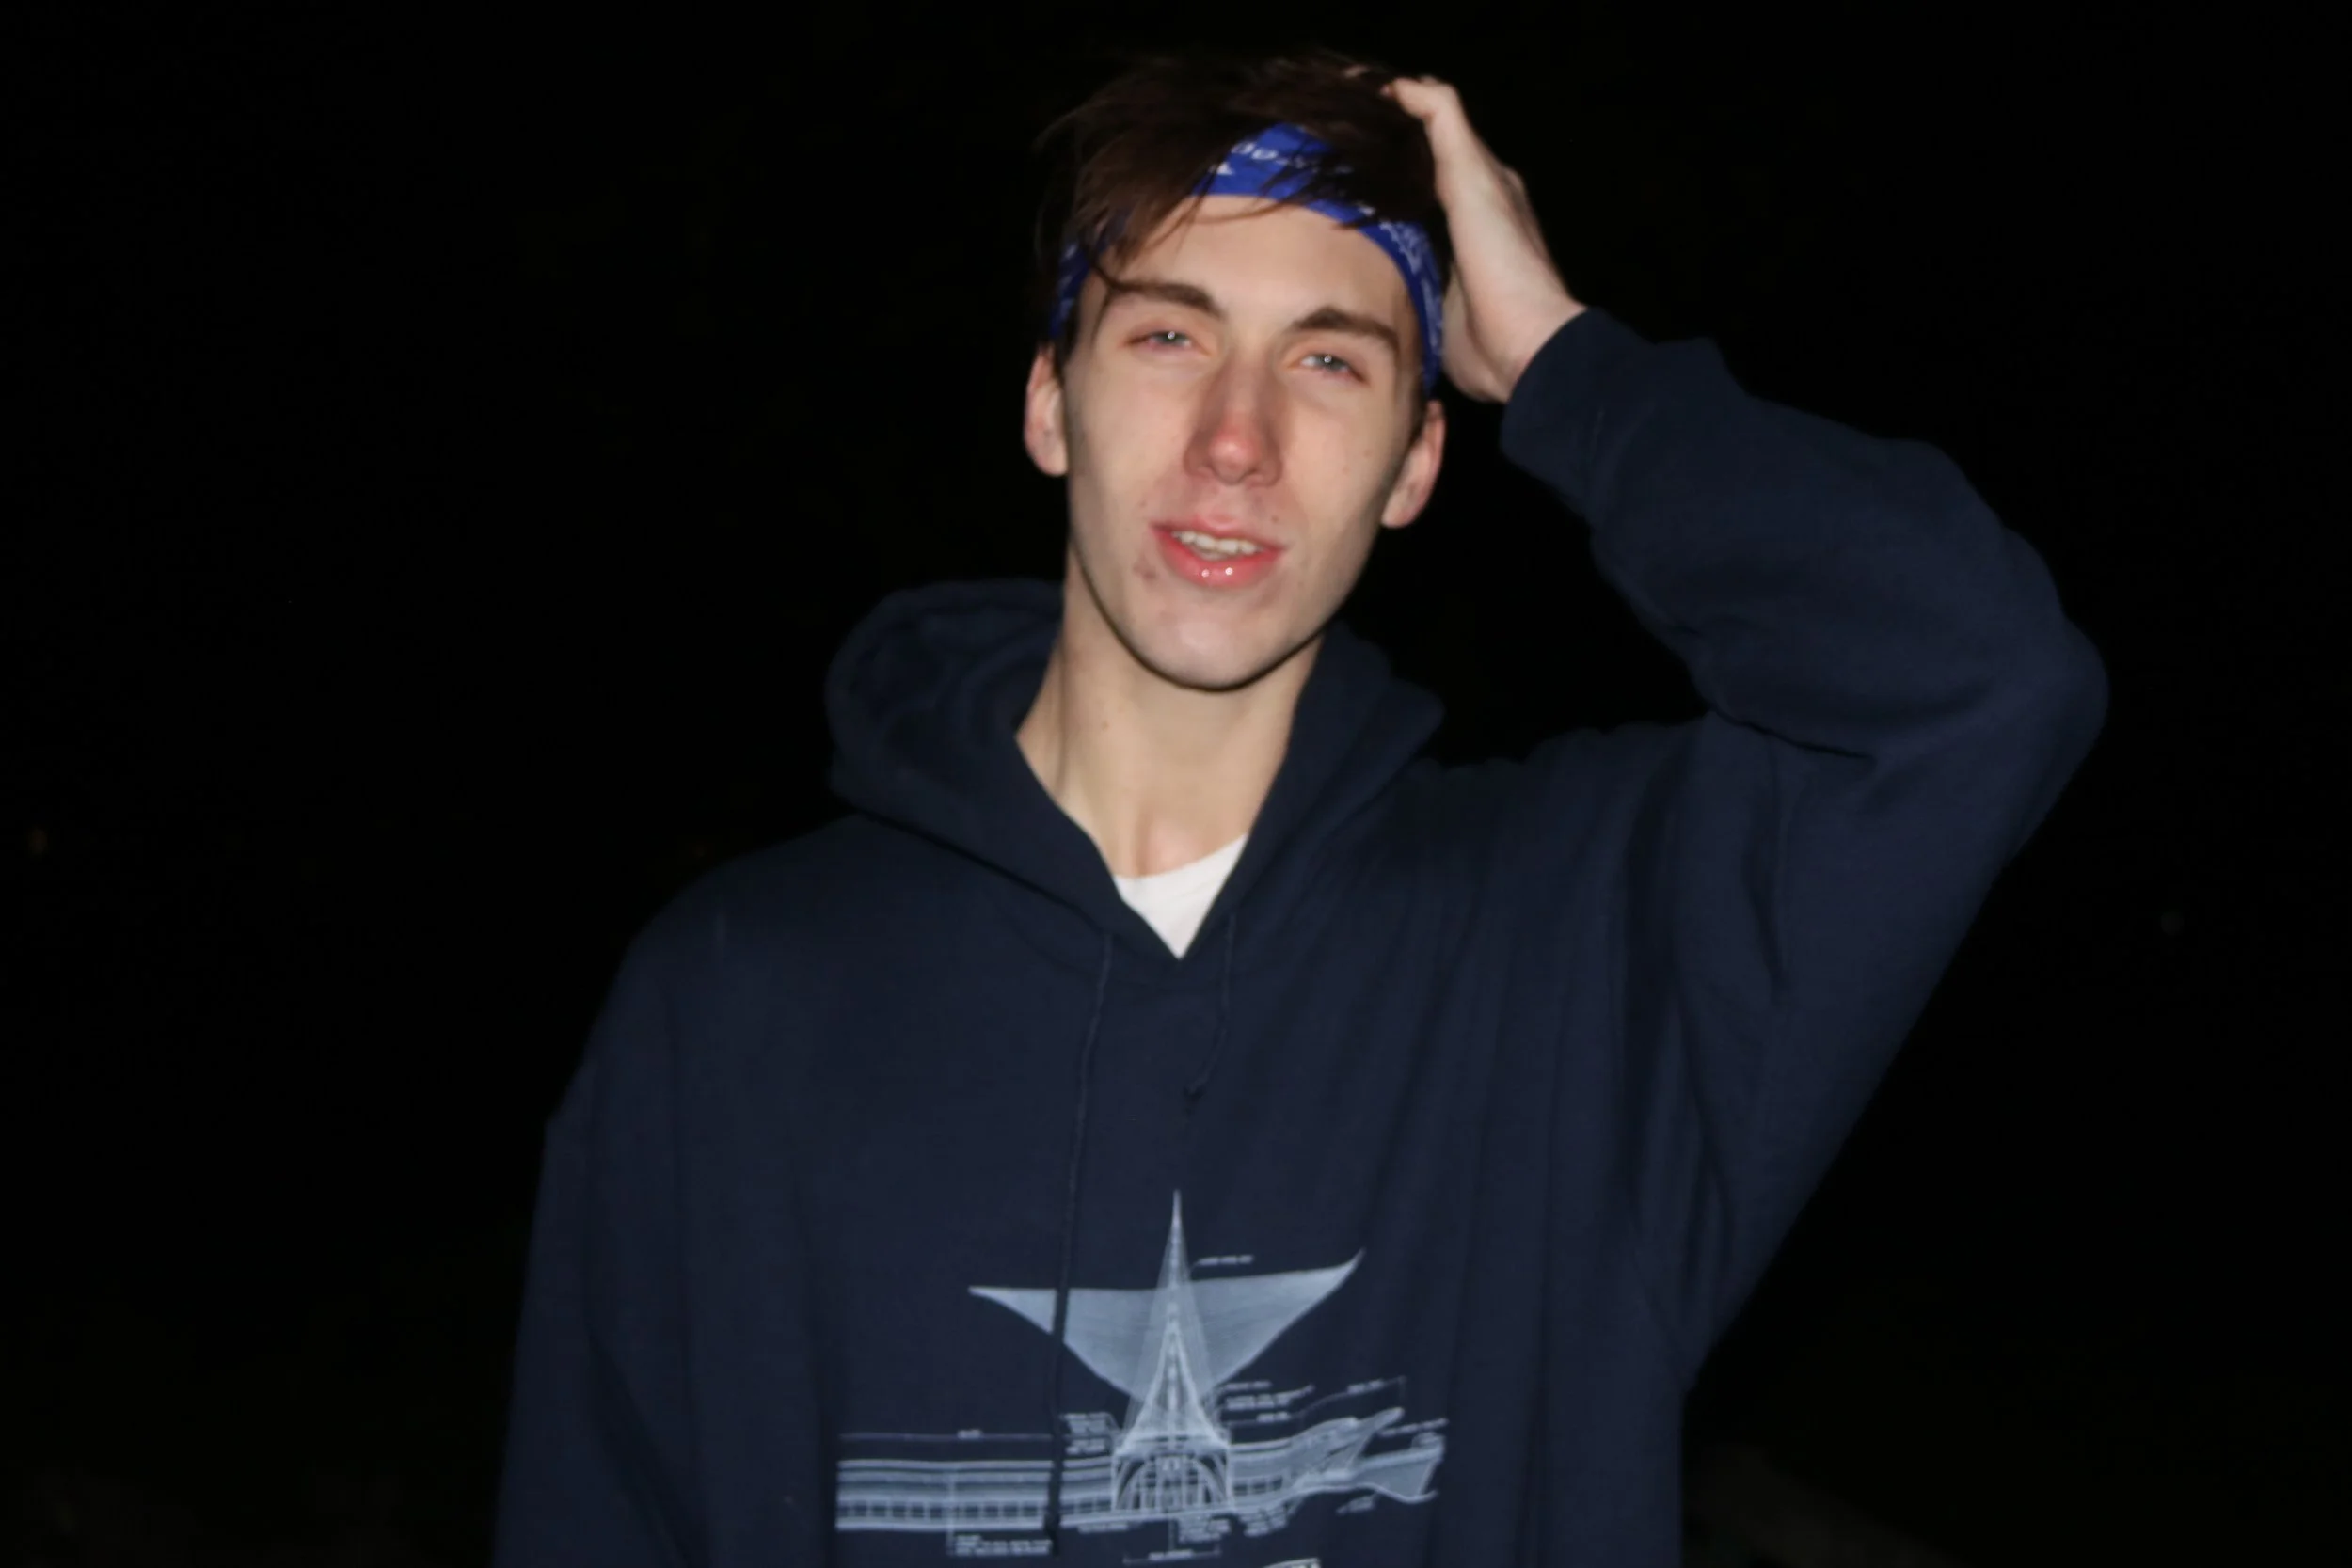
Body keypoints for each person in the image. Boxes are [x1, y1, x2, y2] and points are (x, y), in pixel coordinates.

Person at [491, 51, 2105, 1567]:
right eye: (1169, 335)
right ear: (1050, 400)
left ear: (1416, 462)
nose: (1237, 439)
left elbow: (1974, 678)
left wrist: (1560, 360)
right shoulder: (738, 997)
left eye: (1329, 360)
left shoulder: (1575, 956)